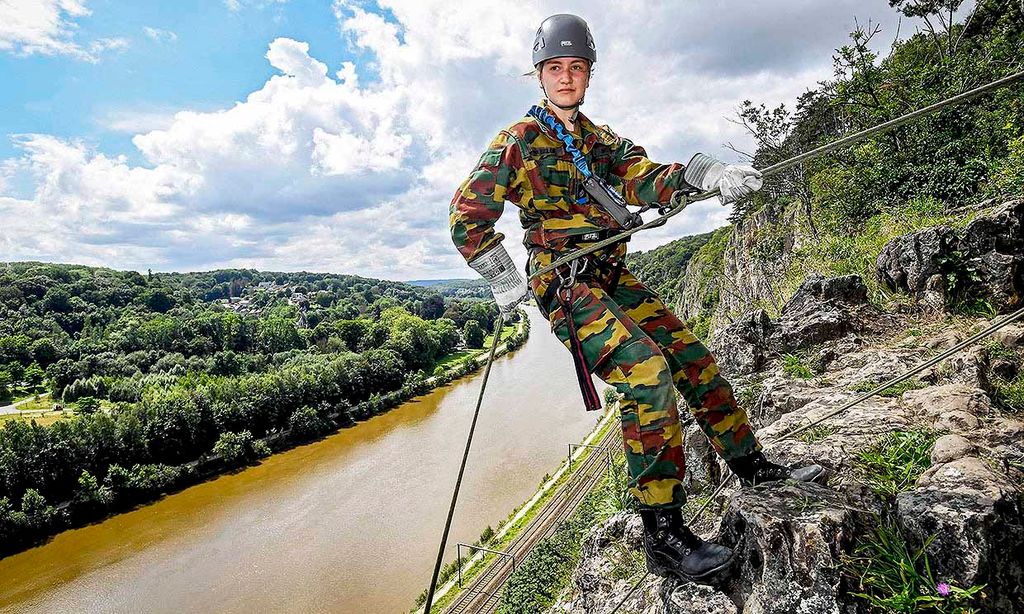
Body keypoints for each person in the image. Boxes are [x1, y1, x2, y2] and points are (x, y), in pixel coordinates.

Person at [448, 13, 824, 584]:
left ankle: (755, 469)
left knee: (692, 360)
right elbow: (467, 216)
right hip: (565, 282)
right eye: (556, 68)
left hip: (609, 274)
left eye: (576, 68)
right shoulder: (518, 143)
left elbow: (645, 177)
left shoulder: (600, 142)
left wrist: (706, 174)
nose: (566, 77)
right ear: (539, 75)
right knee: (646, 374)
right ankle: (664, 536)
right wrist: (501, 274)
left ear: (589, 74)